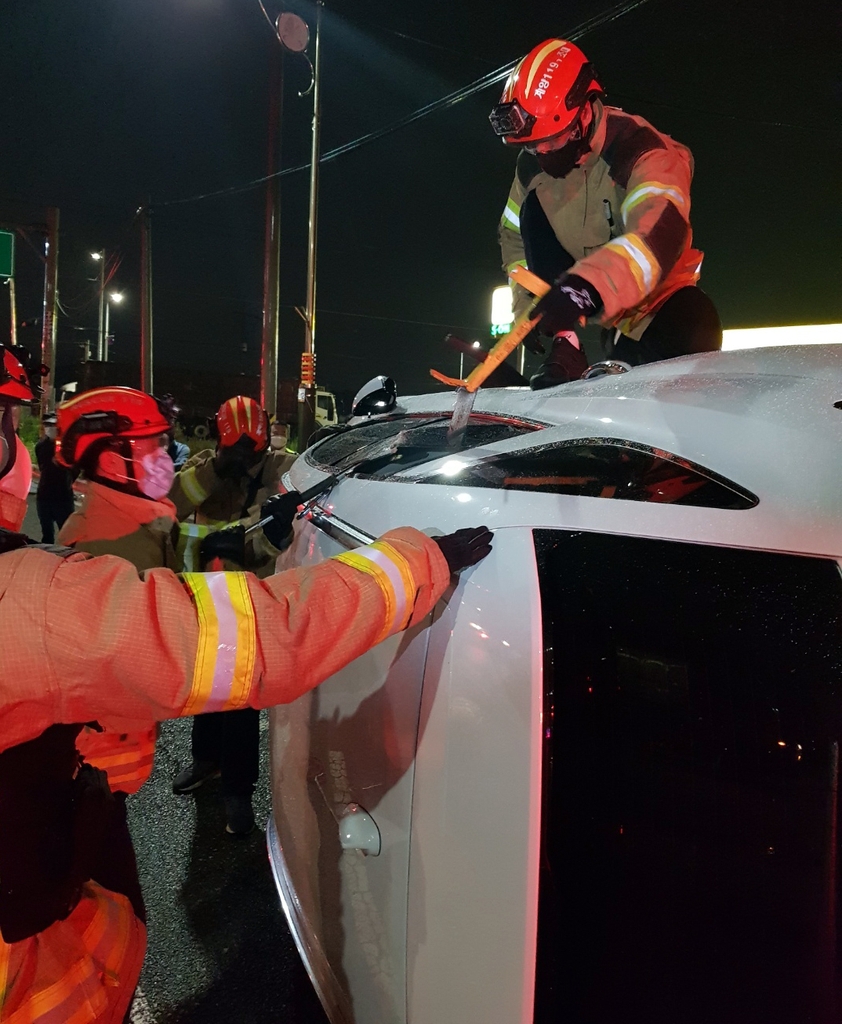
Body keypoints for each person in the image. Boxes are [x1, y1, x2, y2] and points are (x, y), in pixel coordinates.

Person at [0, 343, 493, 1023]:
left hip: (68, 831)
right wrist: (414, 561)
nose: (165, 462)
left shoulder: (96, 539)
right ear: (108, 459)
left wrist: (260, 529)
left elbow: (182, 553)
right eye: (4, 427)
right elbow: (263, 636)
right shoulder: (47, 588)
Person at [490, 38, 722, 389]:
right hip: (614, 328)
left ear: (584, 111)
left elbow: (655, 238)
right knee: (532, 212)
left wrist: (584, 289)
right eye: (532, 145)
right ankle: (565, 346)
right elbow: (513, 234)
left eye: (551, 140)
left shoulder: (644, 152)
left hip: (676, 320)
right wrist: (530, 307)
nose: (541, 152)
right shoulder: (533, 167)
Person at [168, 396, 300, 836]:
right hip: (202, 602)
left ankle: (238, 793)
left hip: (250, 604)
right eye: (235, 453)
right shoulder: (203, 468)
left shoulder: (282, 469)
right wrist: (216, 470)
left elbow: (279, 517)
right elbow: (165, 508)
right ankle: (206, 762)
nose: (245, 462)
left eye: (253, 454)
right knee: (203, 689)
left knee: (241, 699)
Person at [57, 386, 180, 806]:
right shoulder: (109, 546)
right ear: (112, 460)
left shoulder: (134, 523)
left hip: (110, 760)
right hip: (99, 767)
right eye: (153, 446)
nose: (164, 457)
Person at [34, 410, 75, 541]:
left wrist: (68, 480)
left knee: (68, 536)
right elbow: (42, 467)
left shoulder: (68, 447)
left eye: (53, 425)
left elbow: (76, 467)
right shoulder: (40, 446)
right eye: (47, 425)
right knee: (47, 535)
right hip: (44, 496)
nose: (50, 428)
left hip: (63, 497)